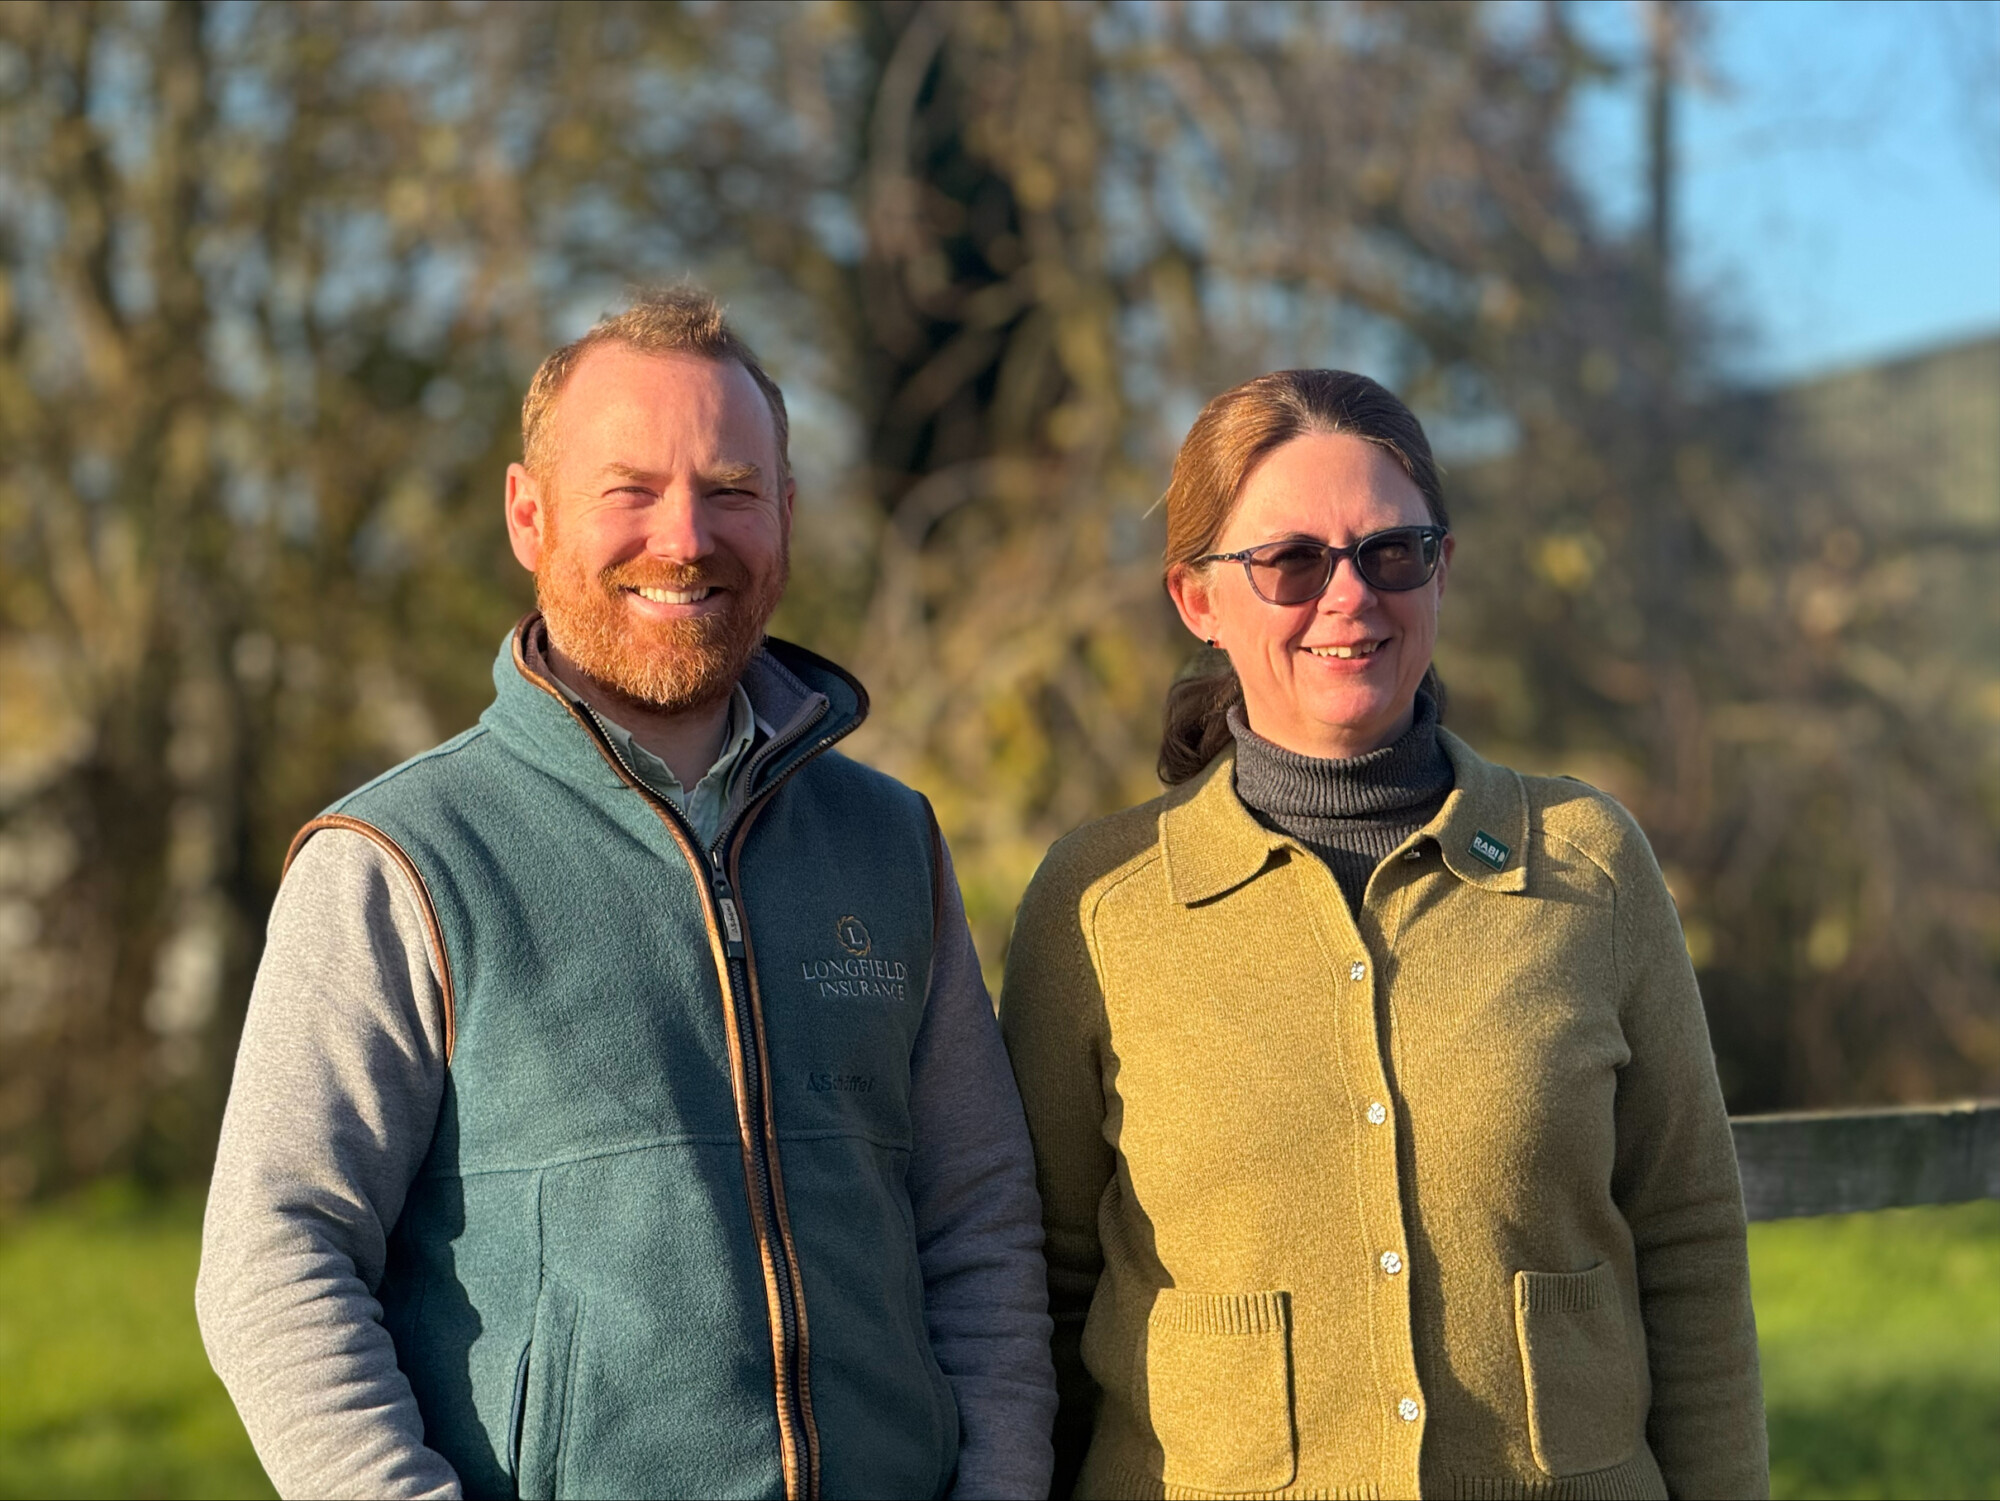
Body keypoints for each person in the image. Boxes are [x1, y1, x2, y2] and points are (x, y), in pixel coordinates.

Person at [197, 287, 1056, 1501]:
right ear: (528, 513)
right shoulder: (398, 856)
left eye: (732, 491)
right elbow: (272, 1259)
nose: (686, 535)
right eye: (630, 489)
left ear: (787, 516)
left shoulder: (888, 841)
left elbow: (979, 1233)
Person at [999, 369, 1766, 1500]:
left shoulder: (1586, 862)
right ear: (1196, 598)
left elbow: (1687, 1242)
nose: (1347, 596)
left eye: (1389, 552)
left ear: (1440, 570)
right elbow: (1042, 1291)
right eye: (1290, 560)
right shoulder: (1100, 901)